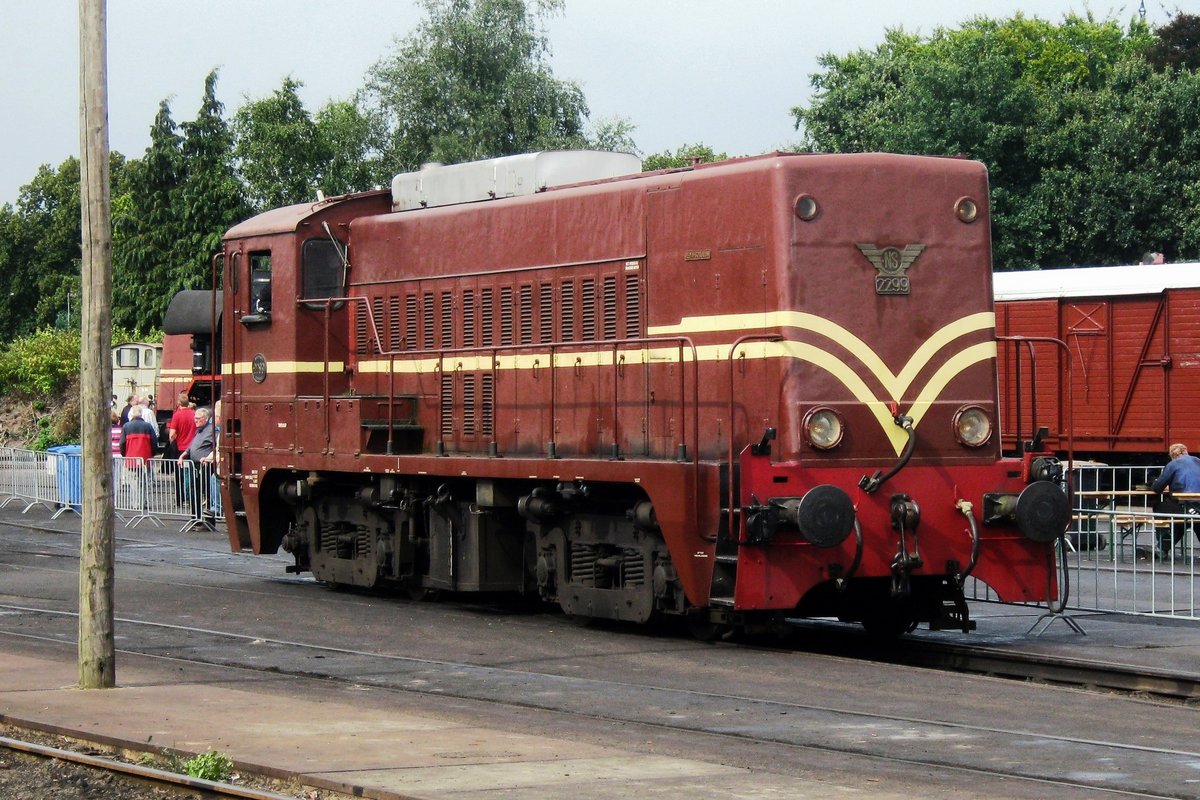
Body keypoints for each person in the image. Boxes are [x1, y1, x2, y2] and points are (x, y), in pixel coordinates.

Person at [1150, 443, 1200, 557]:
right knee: (1190, 520)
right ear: (1186, 451)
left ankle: (1162, 547)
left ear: (1173, 455)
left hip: (1187, 503)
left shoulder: (1173, 464)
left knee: (1160, 507)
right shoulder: (1197, 460)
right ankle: (1163, 548)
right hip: (1197, 504)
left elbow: (1158, 487)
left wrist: (1153, 483)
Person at [178, 406, 214, 521]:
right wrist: (182, 455)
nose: (195, 420)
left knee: (207, 492)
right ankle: (195, 518)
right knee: (195, 492)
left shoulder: (212, 430)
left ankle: (208, 521)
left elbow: (218, 447)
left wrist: (208, 457)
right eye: (195, 418)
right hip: (195, 466)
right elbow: (192, 446)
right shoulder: (199, 431)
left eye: (198, 418)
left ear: (206, 418)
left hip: (206, 467)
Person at [120, 406, 155, 509]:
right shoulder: (148, 426)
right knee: (144, 481)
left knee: (134, 482)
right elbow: (154, 442)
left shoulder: (126, 426)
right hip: (145, 457)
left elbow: (122, 443)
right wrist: (151, 454)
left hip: (131, 458)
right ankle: (143, 502)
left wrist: (125, 454)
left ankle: (135, 503)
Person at [167, 393, 197, 504]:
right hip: (192, 448)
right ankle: (191, 498)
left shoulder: (177, 415)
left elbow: (172, 434)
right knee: (192, 473)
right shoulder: (194, 414)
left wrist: (172, 442)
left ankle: (180, 499)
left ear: (179, 403)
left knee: (179, 475)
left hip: (180, 448)